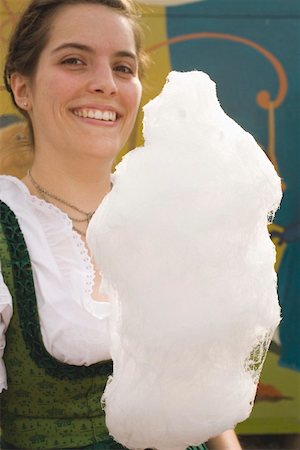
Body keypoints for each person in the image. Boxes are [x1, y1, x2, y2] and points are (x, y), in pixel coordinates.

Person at [0, 0, 243, 448]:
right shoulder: (6, 228)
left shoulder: (168, 217)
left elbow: (206, 401)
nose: (105, 84)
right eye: (74, 60)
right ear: (22, 87)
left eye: (123, 67)